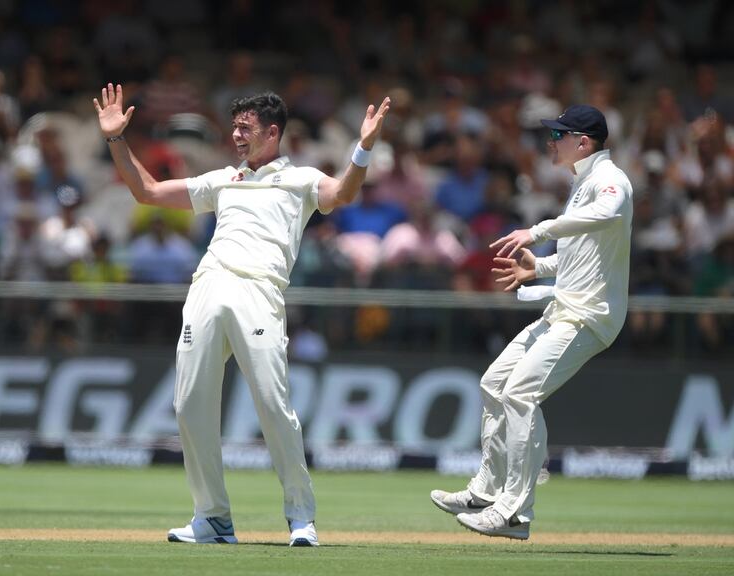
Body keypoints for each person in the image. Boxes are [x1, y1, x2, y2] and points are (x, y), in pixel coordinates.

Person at [94, 83, 390, 547]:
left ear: (272, 133)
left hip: (260, 290)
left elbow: (343, 194)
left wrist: (364, 148)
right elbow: (147, 191)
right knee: (190, 405)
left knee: (273, 405)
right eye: (233, 126)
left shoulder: (301, 179)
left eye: (245, 127)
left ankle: (300, 517)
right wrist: (115, 138)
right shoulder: (221, 181)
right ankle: (212, 518)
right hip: (208, 286)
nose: (236, 135)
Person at [430, 105, 633, 539]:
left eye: (558, 135)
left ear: (583, 142)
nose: (550, 142)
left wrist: (538, 231)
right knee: (493, 383)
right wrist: (538, 268)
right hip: (563, 308)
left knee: (520, 393)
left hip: (588, 316)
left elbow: (609, 214)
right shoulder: (582, 185)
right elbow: (581, 253)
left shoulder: (609, 179)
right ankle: (486, 491)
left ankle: (515, 512)